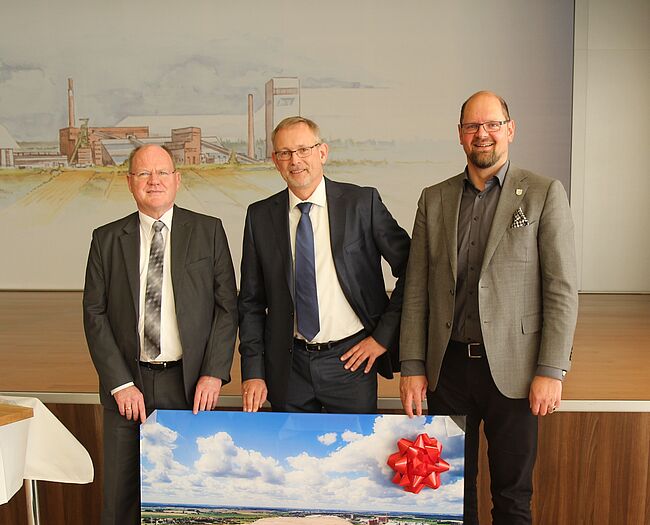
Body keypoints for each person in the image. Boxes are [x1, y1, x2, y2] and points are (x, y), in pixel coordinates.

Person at [399, 91, 578, 525]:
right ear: (460, 135)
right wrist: (411, 365)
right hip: (448, 370)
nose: (483, 134)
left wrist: (551, 370)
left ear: (510, 130)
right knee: (452, 496)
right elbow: (417, 287)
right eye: (473, 126)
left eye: (493, 124)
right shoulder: (434, 198)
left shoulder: (543, 193)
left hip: (516, 374)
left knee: (512, 498)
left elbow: (561, 289)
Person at [83, 144, 238, 524]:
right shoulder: (106, 239)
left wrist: (214, 372)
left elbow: (227, 308)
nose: (154, 181)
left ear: (177, 179)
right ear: (130, 182)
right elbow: (94, 313)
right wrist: (119, 384)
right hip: (128, 385)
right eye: (144, 174)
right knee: (120, 498)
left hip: (187, 384)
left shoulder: (208, 230)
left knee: (184, 493)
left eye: (162, 173)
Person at [238, 116, 410, 413]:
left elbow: (413, 270)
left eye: (304, 150)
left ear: (322, 152)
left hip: (351, 362)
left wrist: (382, 338)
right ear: (275, 161)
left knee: (353, 455)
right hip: (288, 366)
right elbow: (251, 303)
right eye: (285, 153)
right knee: (290, 457)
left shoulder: (362, 203)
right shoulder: (259, 216)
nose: (295, 160)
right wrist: (253, 371)